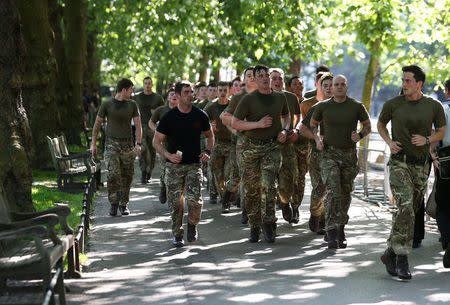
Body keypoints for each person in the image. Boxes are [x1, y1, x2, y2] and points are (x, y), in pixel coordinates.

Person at [378, 65, 446, 280]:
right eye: (403, 80)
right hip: (400, 162)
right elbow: (380, 125)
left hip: (421, 164)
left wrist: (427, 140)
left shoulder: (433, 106)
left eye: (408, 81)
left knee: (409, 211)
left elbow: (441, 131)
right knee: (405, 206)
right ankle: (401, 257)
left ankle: (390, 251)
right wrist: (389, 142)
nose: (404, 84)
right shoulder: (393, 104)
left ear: (419, 84)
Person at [311, 74, 371, 249]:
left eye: (341, 84)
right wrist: (317, 139)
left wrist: (359, 135)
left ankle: (341, 229)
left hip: (348, 155)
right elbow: (313, 124)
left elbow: (368, 125)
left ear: (346, 86)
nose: (337, 87)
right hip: (329, 154)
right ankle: (330, 231)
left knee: (345, 193)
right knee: (333, 191)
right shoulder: (323, 106)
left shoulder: (356, 106)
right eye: (335, 84)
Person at [232, 64, 290, 243]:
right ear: (255, 80)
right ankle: (254, 225)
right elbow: (235, 123)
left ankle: (269, 224)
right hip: (251, 148)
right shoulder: (248, 99)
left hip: (272, 147)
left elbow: (286, 117)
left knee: (268, 185)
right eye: (261, 76)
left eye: (267, 75)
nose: (265, 78)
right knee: (251, 190)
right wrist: (257, 124)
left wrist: (285, 131)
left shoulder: (280, 98)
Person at [153, 81, 214, 248]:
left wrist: (207, 151)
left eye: (191, 92)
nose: (190, 95)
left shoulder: (200, 115)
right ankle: (177, 234)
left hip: (194, 165)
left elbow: (210, 136)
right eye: (186, 92)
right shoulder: (168, 117)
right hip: (173, 167)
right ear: (178, 95)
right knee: (175, 203)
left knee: (195, 201)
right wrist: (168, 155)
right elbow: (156, 142)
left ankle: (192, 225)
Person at [90, 78, 142, 216]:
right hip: (111, 144)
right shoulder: (107, 104)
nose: (132, 92)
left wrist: (139, 143)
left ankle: (123, 204)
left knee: (127, 176)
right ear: (124, 90)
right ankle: (113, 203)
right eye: (130, 89)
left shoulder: (132, 105)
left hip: (128, 145)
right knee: (113, 174)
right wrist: (93, 144)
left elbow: (138, 125)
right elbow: (97, 124)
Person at [220, 66, 257, 224]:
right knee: (241, 177)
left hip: (261, 142)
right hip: (241, 143)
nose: (252, 78)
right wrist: (236, 130)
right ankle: (231, 200)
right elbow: (224, 117)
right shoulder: (238, 97)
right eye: (249, 75)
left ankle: (250, 209)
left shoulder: (264, 95)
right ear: (244, 79)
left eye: (255, 75)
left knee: (256, 178)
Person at [298, 73, 333, 234]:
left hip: (338, 156)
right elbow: (302, 129)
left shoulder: (348, 107)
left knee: (333, 189)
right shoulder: (316, 108)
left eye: (332, 85)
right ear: (320, 87)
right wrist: (316, 137)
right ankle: (315, 213)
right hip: (318, 155)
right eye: (325, 86)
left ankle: (325, 221)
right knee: (319, 188)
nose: (329, 89)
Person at [269, 68, 301, 223]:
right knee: (267, 183)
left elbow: (298, 116)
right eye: (274, 78)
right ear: (268, 80)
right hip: (267, 145)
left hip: (287, 145)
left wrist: (295, 129)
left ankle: (284, 201)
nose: (277, 81)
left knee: (288, 180)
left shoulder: (291, 97)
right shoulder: (263, 98)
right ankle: (266, 220)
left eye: (280, 78)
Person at [204, 81, 236, 213]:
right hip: (217, 143)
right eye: (220, 90)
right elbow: (202, 120)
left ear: (229, 91)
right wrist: (210, 127)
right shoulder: (211, 107)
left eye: (225, 90)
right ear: (217, 91)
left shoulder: (233, 105)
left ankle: (226, 200)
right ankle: (224, 198)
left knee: (228, 173)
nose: (222, 93)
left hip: (231, 144)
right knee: (218, 175)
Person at [432, 78, 450, 268]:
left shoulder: (442, 111)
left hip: (446, 160)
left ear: (447, 92)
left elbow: (435, 135)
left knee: (443, 204)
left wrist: (433, 156)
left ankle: (447, 240)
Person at [149, 87, 179, 204]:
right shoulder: (161, 110)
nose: (174, 96)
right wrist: (157, 130)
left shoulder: (183, 109)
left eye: (176, 94)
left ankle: (175, 196)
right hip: (164, 144)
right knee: (164, 169)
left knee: (178, 169)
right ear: (168, 97)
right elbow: (151, 122)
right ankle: (163, 188)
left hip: (179, 144)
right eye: (171, 94)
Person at [134, 77, 164, 184]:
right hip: (141, 127)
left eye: (149, 83)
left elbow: (163, 113)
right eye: (145, 83)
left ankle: (149, 172)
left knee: (152, 152)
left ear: (152, 85)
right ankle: (143, 172)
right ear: (143, 84)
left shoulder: (157, 98)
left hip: (153, 128)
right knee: (142, 150)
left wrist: (155, 112)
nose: (147, 85)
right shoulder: (137, 98)